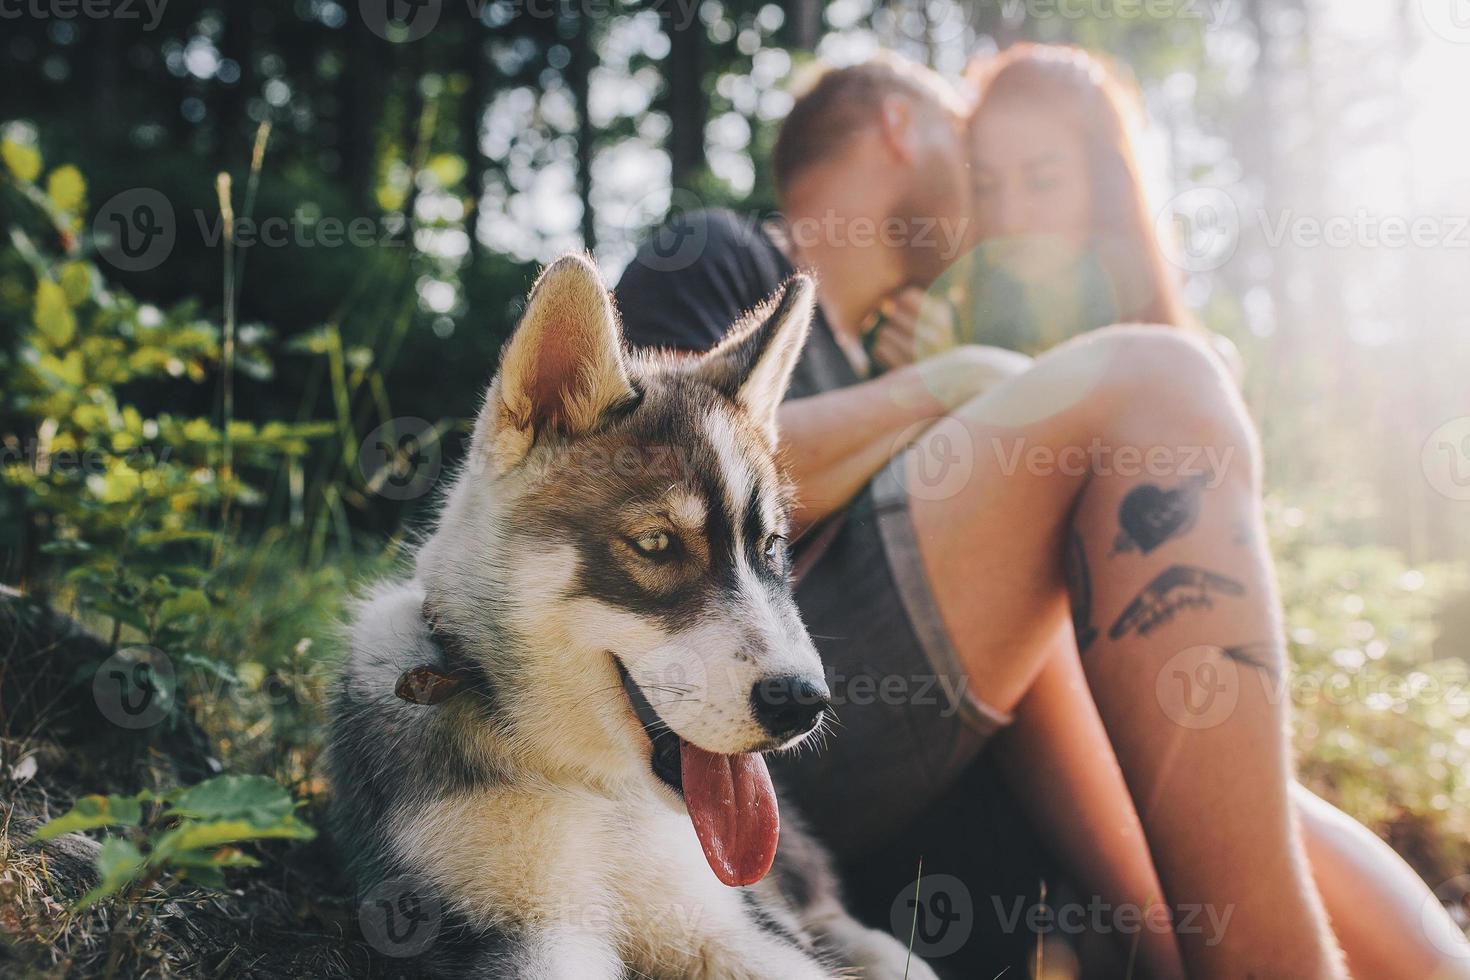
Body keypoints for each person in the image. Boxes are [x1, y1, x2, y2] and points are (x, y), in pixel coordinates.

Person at [613, 50, 1469, 979]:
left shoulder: (876, 363)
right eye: (969, 155)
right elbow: (645, 485)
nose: (990, 204)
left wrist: (920, 388)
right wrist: (947, 388)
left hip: (899, 777)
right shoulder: (729, 260)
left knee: (1245, 795)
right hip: (748, 729)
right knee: (1158, 381)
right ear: (903, 126)